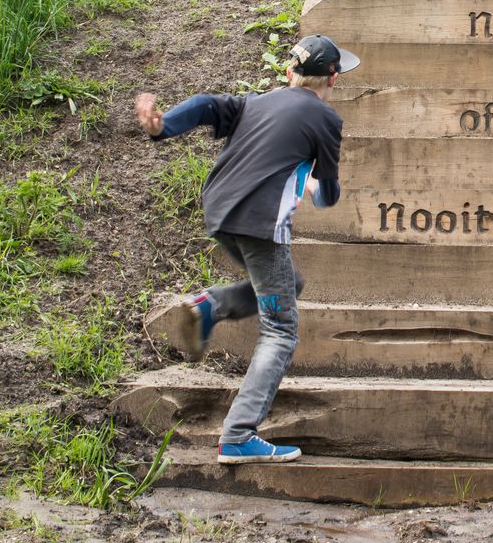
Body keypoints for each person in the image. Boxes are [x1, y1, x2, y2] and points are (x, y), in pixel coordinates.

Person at [135, 34, 357, 463]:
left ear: (290, 73)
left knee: (288, 284)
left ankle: (212, 306)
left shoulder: (257, 102)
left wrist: (163, 126)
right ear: (333, 78)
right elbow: (329, 195)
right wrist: (313, 186)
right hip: (259, 224)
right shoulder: (325, 119)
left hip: (220, 212)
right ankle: (238, 433)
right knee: (280, 330)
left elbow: (206, 105)